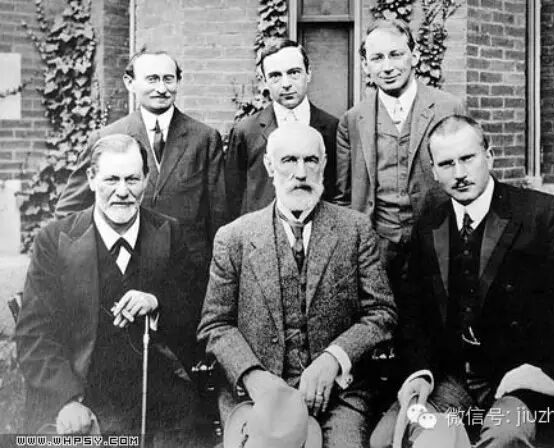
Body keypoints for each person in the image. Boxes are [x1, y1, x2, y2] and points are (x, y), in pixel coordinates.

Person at [370, 115, 554, 448]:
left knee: (505, 437)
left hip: (525, 379)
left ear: (489, 157)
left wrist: (553, 372)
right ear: (433, 171)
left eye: (468, 158)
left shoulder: (540, 215)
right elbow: (413, 314)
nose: (459, 173)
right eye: (447, 164)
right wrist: (420, 372)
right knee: (385, 440)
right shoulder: (430, 224)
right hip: (453, 379)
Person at [198, 123, 398, 448]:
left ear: (324, 164)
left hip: (339, 395)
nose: (301, 173)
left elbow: (381, 313)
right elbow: (215, 325)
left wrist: (334, 358)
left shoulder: (355, 230)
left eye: (311, 160)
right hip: (257, 396)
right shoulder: (234, 238)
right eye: (289, 160)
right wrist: (254, 377)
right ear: (269, 166)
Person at [16, 135, 207, 443]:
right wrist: (67, 400)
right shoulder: (55, 241)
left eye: (132, 179)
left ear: (146, 179)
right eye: (111, 180)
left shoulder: (169, 233)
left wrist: (157, 303)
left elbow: (195, 313)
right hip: (82, 398)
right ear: (92, 179)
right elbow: (34, 334)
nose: (122, 191)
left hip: (159, 404)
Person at [55, 49, 226, 297]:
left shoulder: (205, 139)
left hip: (186, 276)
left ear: (178, 81)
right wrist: (98, 257)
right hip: (122, 271)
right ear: (130, 82)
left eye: (168, 79)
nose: (161, 88)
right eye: (152, 79)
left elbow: (219, 217)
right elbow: (68, 211)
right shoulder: (106, 137)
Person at [334, 19, 465, 291]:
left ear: (414, 56)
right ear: (365, 65)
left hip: (437, 244)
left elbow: (465, 177)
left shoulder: (448, 108)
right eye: (377, 58)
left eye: (396, 54)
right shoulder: (353, 120)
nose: (387, 67)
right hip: (377, 248)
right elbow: (343, 197)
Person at [225, 39, 339, 220]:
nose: (286, 84)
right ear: (265, 81)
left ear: (308, 73)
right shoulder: (246, 131)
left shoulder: (332, 128)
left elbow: (338, 191)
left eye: (294, 73)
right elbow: (232, 195)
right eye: (275, 76)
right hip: (262, 231)